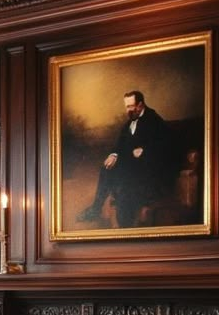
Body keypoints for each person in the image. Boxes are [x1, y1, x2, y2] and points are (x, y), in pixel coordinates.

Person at [77, 90, 179, 228]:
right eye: (126, 107)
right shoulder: (129, 124)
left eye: (131, 106)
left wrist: (145, 151)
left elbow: (169, 144)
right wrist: (113, 155)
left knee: (126, 190)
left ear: (140, 105)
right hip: (132, 168)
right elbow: (119, 145)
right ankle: (96, 209)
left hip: (149, 172)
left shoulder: (153, 119)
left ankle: (126, 229)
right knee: (107, 168)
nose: (128, 110)